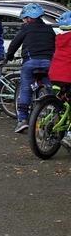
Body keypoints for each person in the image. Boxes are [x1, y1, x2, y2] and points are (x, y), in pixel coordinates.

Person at [6, 3, 56, 133]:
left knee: (25, 88)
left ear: (28, 18)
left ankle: (22, 120)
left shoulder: (26, 29)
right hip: (48, 63)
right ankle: (53, 112)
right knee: (50, 87)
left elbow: (15, 43)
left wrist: (9, 56)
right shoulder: (49, 29)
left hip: (30, 63)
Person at [48, 11, 71, 147]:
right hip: (68, 77)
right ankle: (69, 135)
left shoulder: (60, 38)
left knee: (64, 100)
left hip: (55, 76)